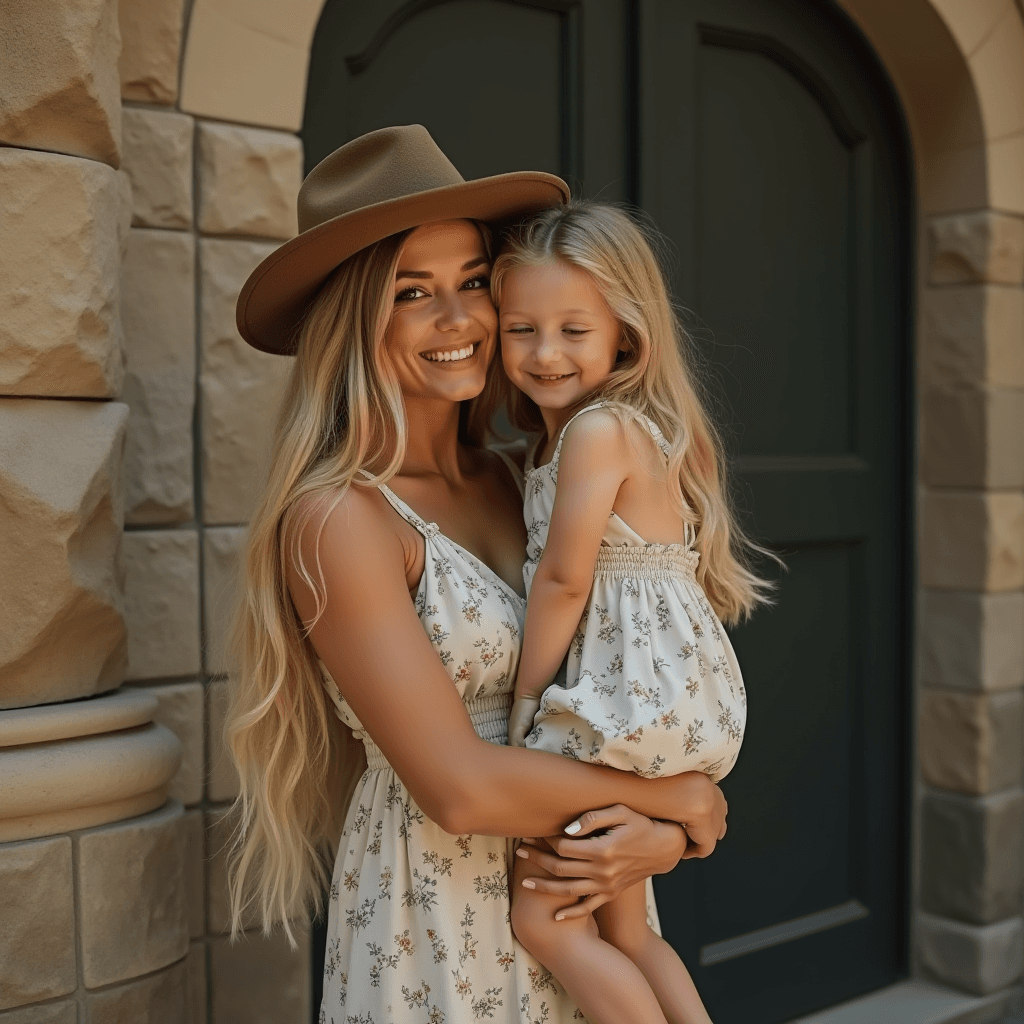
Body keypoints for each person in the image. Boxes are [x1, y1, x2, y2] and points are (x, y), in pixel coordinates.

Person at [224, 125, 729, 1024]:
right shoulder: (339, 520)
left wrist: (654, 830)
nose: (460, 322)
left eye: (471, 284)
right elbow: (457, 787)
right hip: (438, 910)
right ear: (355, 319)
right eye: (414, 293)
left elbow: (612, 681)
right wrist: (673, 803)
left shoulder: (518, 477)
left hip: (569, 878)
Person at [496, 201, 773, 1024]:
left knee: (540, 915)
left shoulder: (599, 431)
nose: (545, 354)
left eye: (573, 331)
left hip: (626, 701)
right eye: (522, 329)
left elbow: (563, 584)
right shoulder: (559, 441)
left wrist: (525, 704)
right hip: (647, 695)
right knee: (625, 926)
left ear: (626, 333)